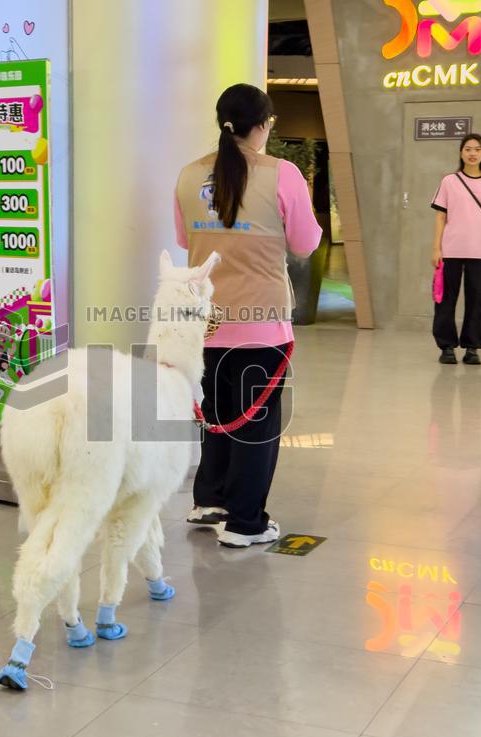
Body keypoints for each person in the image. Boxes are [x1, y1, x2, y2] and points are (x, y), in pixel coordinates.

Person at [174, 83, 322, 549]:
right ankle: (244, 522)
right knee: (255, 422)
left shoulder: (187, 175)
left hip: (207, 319)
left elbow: (184, 241)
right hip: (260, 323)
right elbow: (306, 242)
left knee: (218, 413)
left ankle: (210, 501)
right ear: (262, 125)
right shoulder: (282, 174)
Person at [430, 133, 481, 366]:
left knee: (476, 299)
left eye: (477, 149)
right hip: (450, 251)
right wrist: (436, 248)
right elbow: (440, 217)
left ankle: (472, 347)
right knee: (445, 300)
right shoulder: (449, 181)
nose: (472, 153)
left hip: (479, 252)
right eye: (468, 149)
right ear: (460, 153)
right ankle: (446, 347)